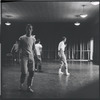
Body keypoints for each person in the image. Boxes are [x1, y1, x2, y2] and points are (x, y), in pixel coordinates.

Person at [18, 24, 37, 93]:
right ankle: (21, 84)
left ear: (32, 30)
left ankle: (29, 87)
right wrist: (18, 58)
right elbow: (19, 48)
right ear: (26, 29)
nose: (29, 30)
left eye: (30, 28)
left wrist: (36, 56)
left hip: (31, 57)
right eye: (28, 28)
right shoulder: (22, 38)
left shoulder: (33, 39)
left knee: (32, 72)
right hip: (24, 57)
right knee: (24, 72)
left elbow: (34, 48)